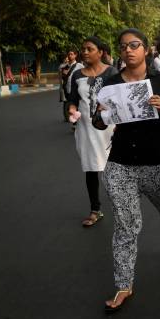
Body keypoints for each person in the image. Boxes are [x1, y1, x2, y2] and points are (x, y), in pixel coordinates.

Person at [92, 28, 160, 314]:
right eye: (123, 47)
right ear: (119, 52)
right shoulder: (109, 84)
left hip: (158, 162)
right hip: (121, 164)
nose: (129, 50)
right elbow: (99, 124)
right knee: (125, 225)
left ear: (145, 49)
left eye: (134, 45)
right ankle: (123, 284)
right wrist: (99, 113)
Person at [67, 37, 117, 227]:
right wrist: (72, 110)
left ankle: (121, 207)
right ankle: (95, 209)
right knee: (90, 168)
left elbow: (117, 100)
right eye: (83, 49)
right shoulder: (77, 74)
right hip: (86, 129)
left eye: (89, 49)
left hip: (108, 128)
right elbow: (72, 99)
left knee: (112, 168)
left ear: (101, 52)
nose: (85, 52)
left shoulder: (112, 72)